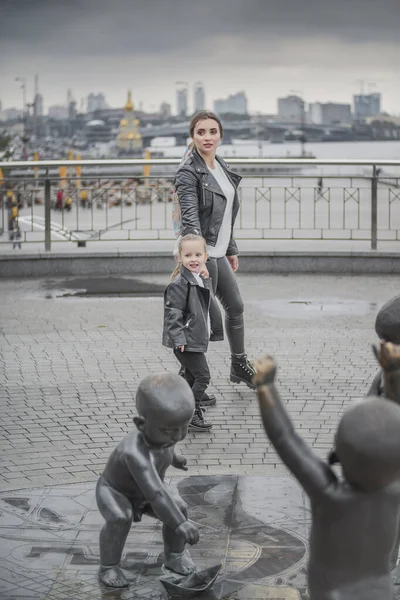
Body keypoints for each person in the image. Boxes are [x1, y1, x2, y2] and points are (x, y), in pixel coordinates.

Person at [253, 352, 400, 600]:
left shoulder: (330, 496)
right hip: (380, 591)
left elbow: (286, 440)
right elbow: (394, 424)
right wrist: (393, 373)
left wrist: (266, 388)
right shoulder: (395, 492)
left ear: (338, 454)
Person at [174, 110, 256, 390]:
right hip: (204, 255)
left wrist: (230, 248)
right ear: (192, 136)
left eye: (212, 132)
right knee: (201, 323)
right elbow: (190, 216)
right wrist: (198, 259)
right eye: (201, 132)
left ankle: (239, 365)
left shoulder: (221, 165)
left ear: (221, 135)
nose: (207, 137)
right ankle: (188, 387)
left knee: (235, 307)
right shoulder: (188, 171)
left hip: (218, 253)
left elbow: (227, 214)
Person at [96, 372, 199, 588]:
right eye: (171, 430)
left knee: (179, 506)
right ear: (141, 424)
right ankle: (109, 566)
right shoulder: (135, 452)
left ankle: (174, 555)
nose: (178, 436)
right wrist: (180, 524)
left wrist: (175, 459)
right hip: (116, 492)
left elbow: (167, 447)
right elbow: (157, 493)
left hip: (146, 493)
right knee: (119, 517)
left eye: (184, 427)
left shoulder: (163, 433)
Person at [162, 234, 223, 432]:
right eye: (188, 255)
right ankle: (191, 413)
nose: (193, 259)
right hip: (186, 343)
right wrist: (178, 338)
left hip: (195, 339)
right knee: (203, 377)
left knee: (190, 379)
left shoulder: (199, 278)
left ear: (206, 256)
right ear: (180, 258)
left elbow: (208, 303)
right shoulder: (179, 284)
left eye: (198, 254)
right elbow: (173, 314)